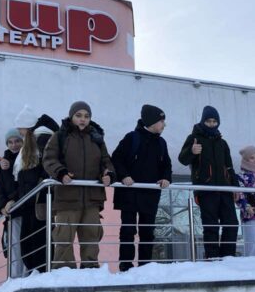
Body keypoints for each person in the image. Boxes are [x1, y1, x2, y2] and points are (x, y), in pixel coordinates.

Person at [43, 101, 115, 269]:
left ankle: (90, 268)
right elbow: (49, 159)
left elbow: (106, 161)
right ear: (71, 116)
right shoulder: (60, 136)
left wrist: (108, 174)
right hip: (67, 197)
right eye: (79, 115)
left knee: (92, 235)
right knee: (64, 236)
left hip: (92, 198)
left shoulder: (97, 138)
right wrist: (61, 172)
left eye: (86, 116)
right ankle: (64, 270)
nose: (83, 119)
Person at [111, 104, 172, 272]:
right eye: (161, 121)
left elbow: (166, 165)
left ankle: (145, 266)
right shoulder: (132, 138)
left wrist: (166, 178)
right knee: (127, 230)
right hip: (129, 193)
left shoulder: (161, 143)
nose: (164, 125)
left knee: (147, 232)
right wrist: (124, 175)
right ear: (151, 122)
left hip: (150, 195)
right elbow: (116, 158)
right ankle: (126, 265)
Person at [178, 106, 239, 259]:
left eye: (214, 121)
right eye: (208, 121)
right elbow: (182, 159)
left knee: (231, 223)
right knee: (211, 226)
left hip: (225, 190)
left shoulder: (222, 143)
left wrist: (236, 187)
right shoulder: (194, 138)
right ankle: (212, 257)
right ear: (203, 121)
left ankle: (228, 257)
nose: (212, 124)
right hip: (206, 190)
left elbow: (229, 167)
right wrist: (192, 152)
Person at [13, 112, 59, 272]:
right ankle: (35, 270)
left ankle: (41, 271)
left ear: (28, 126)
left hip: (38, 198)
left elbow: (49, 163)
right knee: (29, 239)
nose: (19, 132)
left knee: (38, 237)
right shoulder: (32, 141)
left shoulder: (43, 138)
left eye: (21, 128)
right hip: (29, 199)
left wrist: (40, 185)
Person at [0, 128, 23, 277]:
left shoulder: (26, 159)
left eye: (17, 141)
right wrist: (1, 207)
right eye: (10, 142)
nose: (14, 145)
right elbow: (0, 190)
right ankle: (14, 278)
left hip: (24, 208)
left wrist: (13, 200)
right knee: (14, 246)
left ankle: (24, 277)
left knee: (25, 245)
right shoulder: (2, 165)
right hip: (11, 213)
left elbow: (25, 185)